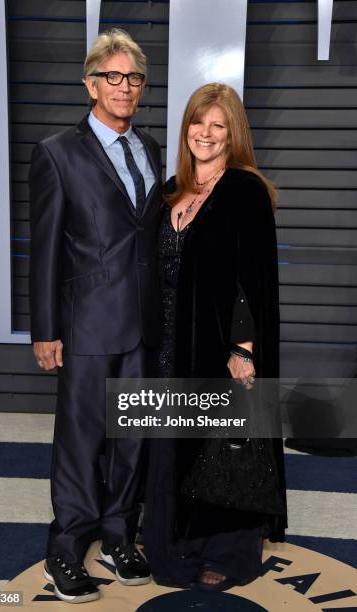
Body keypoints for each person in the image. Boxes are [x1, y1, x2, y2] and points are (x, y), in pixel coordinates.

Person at [29, 29, 163, 604]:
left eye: (132, 78)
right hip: (84, 322)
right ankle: (66, 545)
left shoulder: (151, 147)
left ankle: (116, 533)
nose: (124, 87)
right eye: (112, 76)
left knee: (134, 435)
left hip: (145, 323)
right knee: (82, 439)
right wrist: (44, 330)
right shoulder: (57, 152)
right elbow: (45, 247)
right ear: (90, 85)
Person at [143, 83, 287, 590]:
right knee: (171, 449)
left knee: (220, 449)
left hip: (217, 346)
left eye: (217, 125)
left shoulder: (244, 190)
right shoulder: (169, 191)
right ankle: (172, 545)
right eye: (197, 122)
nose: (205, 133)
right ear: (186, 128)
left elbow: (253, 279)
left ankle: (227, 552)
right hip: (164, 346)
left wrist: (241, 348)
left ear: (233, 134)